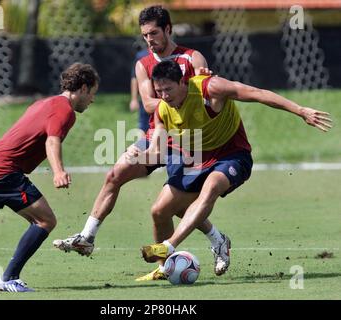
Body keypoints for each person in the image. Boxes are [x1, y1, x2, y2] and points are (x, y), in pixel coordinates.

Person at [53, 5, 224, 282]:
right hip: (154, 137)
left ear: (168, 29)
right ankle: (87, 237)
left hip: (188, 140)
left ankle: (217, 240)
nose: (149, 39)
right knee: (115, 174)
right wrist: (182, 98)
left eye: (154, 33)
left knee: (174, 206)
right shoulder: (143, 63)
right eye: (144, 34)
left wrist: (197, 90)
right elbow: (147, 103)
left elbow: (206, 97)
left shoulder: (192, 58)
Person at [138, 60, 332, 275]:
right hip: (197, 160)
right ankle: (170, 267)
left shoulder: (210, 88)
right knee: (160, 211)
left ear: (182, 82)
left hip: (232, 155)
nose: (164, 96)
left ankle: (168, 246)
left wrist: (300, 110)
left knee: (210, 189)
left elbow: (256, 93)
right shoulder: (162, 110)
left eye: (168, 89)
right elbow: (157, 149)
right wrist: (140, 156)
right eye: (159, 91)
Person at [0, 63, 99, 292]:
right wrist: (59, 171)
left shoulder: (44, 102)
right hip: (3, 170)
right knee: (46, 220)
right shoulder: (65, 110)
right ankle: (9, 278)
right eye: (92, 93)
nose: (92, 100)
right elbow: (52, 140)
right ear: (83, 88)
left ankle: (8, 277)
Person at [129, 48, 150, 134]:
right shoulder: (142, 56)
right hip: (145, 99)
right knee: (143, 129)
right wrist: (134, 99)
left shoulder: (169, 55)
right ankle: (141, 146)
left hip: (163, 101)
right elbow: (134, 78)